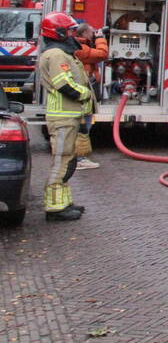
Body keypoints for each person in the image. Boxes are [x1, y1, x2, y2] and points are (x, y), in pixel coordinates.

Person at [37, 12, 94, 221]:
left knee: (68, 161)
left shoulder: (62, 53)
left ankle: (64, 202)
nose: (73, 33)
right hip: (62, 117)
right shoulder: (56, 55)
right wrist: (85, 93)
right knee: (62, 162)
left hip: (69, 116)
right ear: (58, 32)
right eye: (69, 30)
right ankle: (54, 209)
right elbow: (64, 84)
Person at [72, 23, 107, 170]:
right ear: (85, 34)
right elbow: (102, 54)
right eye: (92, 33)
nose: (94, 34)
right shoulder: (79, 48)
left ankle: (78, 157)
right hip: (83, 94)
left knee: (85, 126)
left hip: (86, 93)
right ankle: (78, 159)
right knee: (83, 128)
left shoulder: (83, 45)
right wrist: (100, 39)